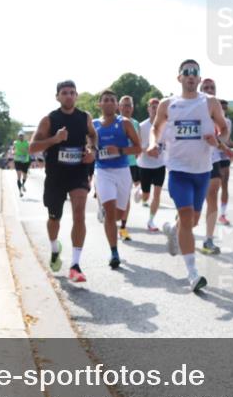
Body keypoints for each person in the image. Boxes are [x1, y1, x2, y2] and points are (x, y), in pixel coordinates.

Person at [147, 59, 227, 292]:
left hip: (202, 171)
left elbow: (224, 129)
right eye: (186, 72)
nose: (191, 75)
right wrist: (153, 144)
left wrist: (218, 140)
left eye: (195, 72)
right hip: (178, 169)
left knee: (192, 221)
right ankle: (192, 274)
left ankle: (173, 230)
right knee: (185, 215)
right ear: (179, 77)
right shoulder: (168, 104)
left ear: (199, 79)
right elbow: (155, 128)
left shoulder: (210, 102)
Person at [29, 80, 96, 282]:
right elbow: (32, 147)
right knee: (54, 218)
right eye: (64, 93)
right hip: (56, 175)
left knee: (79, 214)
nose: (68, 96)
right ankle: (54, 247)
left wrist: (92, 151)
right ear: (57, 97)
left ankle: (75, 265)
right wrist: (54, 140)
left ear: (77, 96)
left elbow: (93, 136)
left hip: (78, 172)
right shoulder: (49, 120)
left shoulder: (85, 117)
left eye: (72, 92)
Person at [93, 90, 141, 269]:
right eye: (105, 100)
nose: (109, 103)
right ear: (99, 104)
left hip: (122, 171)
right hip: (102, 171)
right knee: (111, 214)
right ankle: (114, 252)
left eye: (112, 100)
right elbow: (89, 146)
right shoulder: (94, 124)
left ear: (116, 105)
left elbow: (138, 148)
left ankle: (105, 212)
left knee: (120, 215)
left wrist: (119, 151)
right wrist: (91, 151)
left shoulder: (125, 123)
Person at [199, 78, 233, 254]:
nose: (209, 89)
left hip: (212, 160)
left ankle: (208, 240)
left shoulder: (222, 117)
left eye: (212, 87)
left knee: (212, 194)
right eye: (206, 87)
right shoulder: (191, 108)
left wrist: (221, 144)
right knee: (192, 207)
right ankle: (179, 226)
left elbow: (224, 135)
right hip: (190, 161)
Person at [137, 98, 166, 231]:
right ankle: (141, 191)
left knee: (157, 194)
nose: (155, 109)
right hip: (145, 165)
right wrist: (148, 151)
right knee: (146, 195)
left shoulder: (166, 125)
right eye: (152, 107)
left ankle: (151, 221)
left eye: (157, 107)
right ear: (148, 109)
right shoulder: (142, 126)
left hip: (160, 164)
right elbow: (138, 146)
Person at [115, 95, 140, 241]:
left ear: (133, 108)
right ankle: (106, 212)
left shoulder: (135, 123)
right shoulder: (114, 122)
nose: (127, 108)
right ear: (119, 107)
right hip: (115, 164)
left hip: (130, 164)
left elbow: (139, 144)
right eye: (124, 105)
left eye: (129, 105)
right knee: (113, 196)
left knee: (126, 197)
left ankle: (123, 228)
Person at [218, 99, 233, 225]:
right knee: (210, 186)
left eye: (225, 108)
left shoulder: (228, 122)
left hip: (223, 156)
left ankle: (222, 214)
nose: (223, 110)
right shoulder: (209, 119)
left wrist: (232, 144)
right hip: (211, 156)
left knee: (224, 184)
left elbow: (227, 140)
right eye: (222, 107)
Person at [13, 131, 31, 196]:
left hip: (25, 161)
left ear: (24, 136)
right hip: (17, 160)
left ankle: (23, 185)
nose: (21, 137)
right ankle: (20, 192)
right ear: (18, 136)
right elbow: (13, 149)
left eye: (22, 136)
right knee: (19, 176)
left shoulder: (27, 143)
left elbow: (29, 151)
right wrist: (13, 152)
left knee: (25, 176)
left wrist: (26, 151)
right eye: (20, 136)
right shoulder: (15, 142)